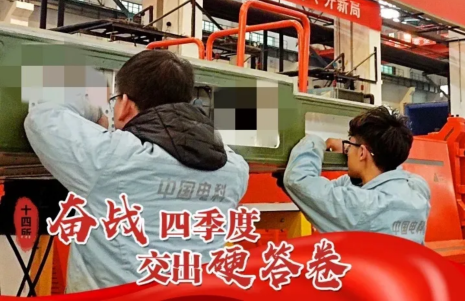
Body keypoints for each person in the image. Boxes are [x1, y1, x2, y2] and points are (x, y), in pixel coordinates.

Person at [24, 50, 249, 293]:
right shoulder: (234, 170)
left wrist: (96, 109)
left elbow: (44, 117)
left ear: (125, 105)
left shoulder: (113, 158)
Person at [282, 106, 431, 243]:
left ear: (362, 153)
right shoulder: (418, 189)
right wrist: (354, 148)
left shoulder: (363, 207)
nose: (348, 152)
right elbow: (388, 170)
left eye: (351, 146)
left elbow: (298, 179)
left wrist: (316, 141)